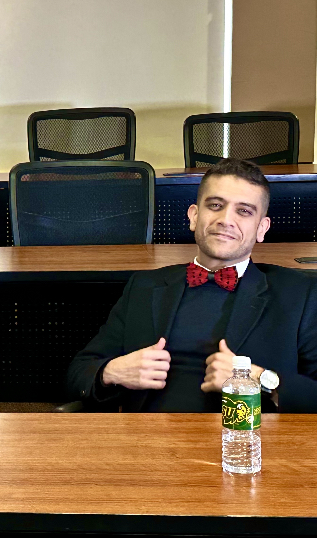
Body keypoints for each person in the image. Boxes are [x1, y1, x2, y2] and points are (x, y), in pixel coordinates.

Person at [67, 158, 317, 413]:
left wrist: (257, 379)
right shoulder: (144, 286)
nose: (225, 220)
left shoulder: (299, 293)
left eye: (244, 211)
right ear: (194, 217)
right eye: (215, 205)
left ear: (261, 228)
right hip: (148, 435)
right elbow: (78, 373)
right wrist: (112, 372)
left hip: (246, 436)